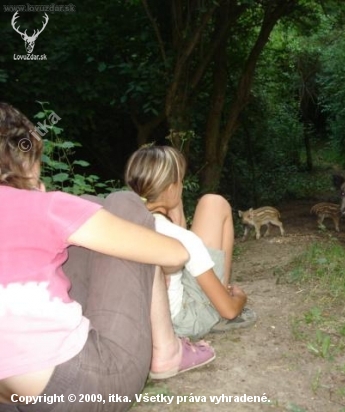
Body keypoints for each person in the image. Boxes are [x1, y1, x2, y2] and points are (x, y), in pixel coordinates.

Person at [0, 103, 215, 412]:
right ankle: (167, 352)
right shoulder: (44, 207)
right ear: (27, 159)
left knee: (88, 212)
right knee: (124, 203)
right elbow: (176, 254)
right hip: (76, 389)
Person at [124, 145, 257, 340]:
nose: (182, 186)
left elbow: (176, 230)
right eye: (180, 182)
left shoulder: (122, 220)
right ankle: (220, 296)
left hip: (141, 318)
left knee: (210, 203)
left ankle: (216, 291)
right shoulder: (184, 240)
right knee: (216, 203)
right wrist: (240, 299)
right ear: (170, 189)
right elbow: (230, 311)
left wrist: (173, 203)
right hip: (181, 321)